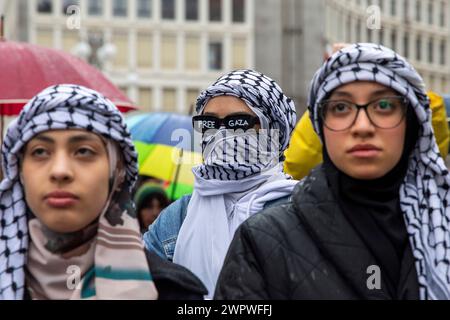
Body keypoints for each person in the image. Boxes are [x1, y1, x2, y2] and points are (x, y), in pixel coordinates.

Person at [215, 43, 450, 300]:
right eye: (341, 108)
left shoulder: (442, 224)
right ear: (321, 126)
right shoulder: (262, 241)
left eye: (383, 105)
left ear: (412, 122)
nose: (362, 126)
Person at [0, 84, 206, 300]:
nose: (60, 171)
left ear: (116, 172)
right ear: (20, 171)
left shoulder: (173, 292)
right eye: (40, 152)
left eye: (83, 151)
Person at [143, 69, 298, 298]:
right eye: (209, 123)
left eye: (238, 122)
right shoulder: (177, 217)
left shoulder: (302, 211)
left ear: (272, 130)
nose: (221, 133)